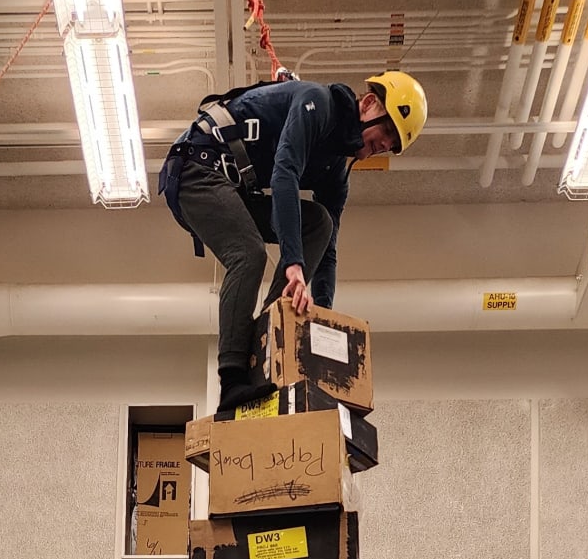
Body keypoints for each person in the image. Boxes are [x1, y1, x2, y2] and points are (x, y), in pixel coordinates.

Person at [159, 71, 428, 411]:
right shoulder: (317, 104)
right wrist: (294, 266)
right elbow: (284, 172)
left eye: (392, 145)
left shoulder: (336, 172)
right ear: (370, 103)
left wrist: (322, 318)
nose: (384, 145)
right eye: (387, 131)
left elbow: (328, 249)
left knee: (320, 223)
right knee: (249, 254)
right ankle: (231, 381)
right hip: (196, 169)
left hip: (235, 188)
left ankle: (266, 340)